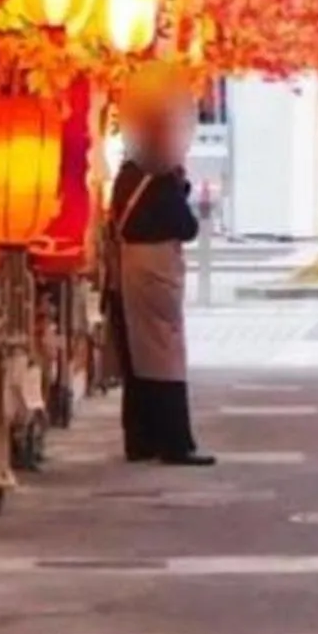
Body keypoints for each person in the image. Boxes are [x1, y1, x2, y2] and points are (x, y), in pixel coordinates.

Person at [104, 96, 213, 466]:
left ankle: (141, 437)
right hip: (157, 266)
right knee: (166, 350)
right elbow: (186, 226)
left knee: (139, 353)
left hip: (129, 264)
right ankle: (174, 441)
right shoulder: (161, 175)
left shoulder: (128, 172)